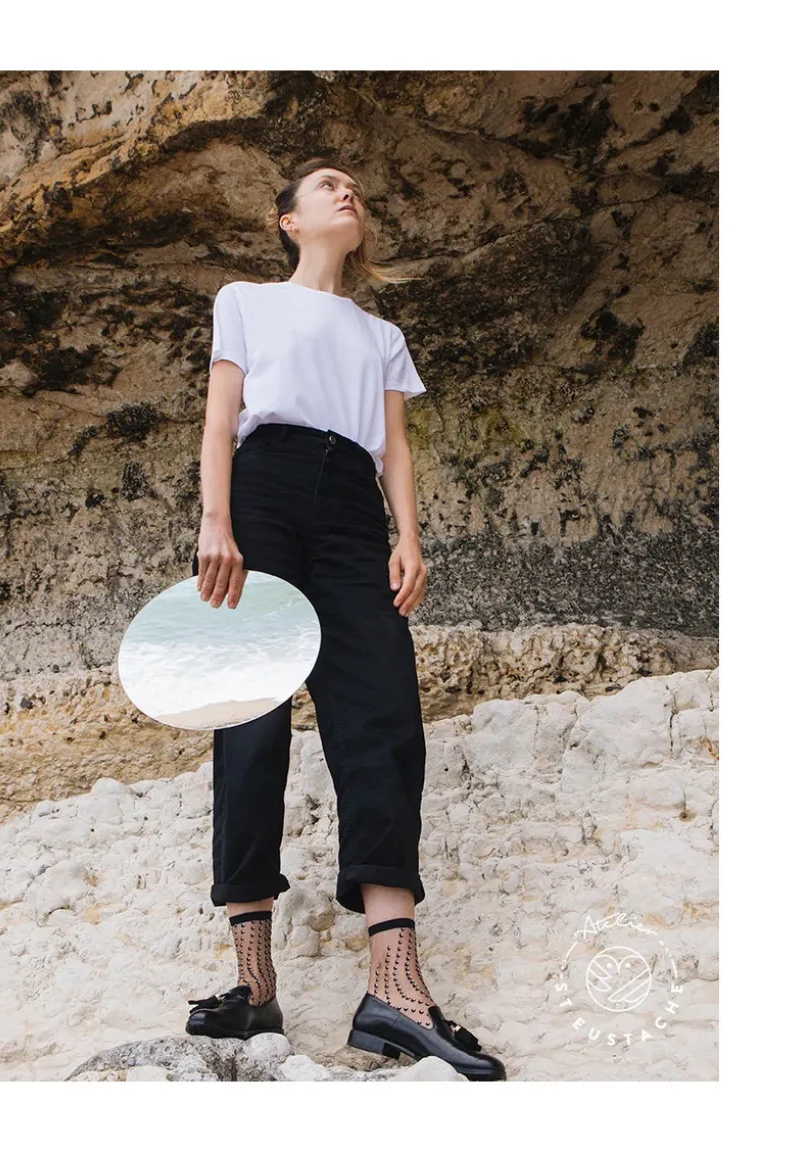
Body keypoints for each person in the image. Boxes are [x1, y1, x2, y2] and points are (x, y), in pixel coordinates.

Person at [185, 158, 506, 1081]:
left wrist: (410, 537)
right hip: (266, 490)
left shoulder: (381, 333)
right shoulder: (246, 300)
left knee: (383, 718)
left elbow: (394, 445)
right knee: (251, 722)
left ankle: (395, 990)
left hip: (355, 513)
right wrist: (217, 521)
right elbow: (221, 420)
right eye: (326, 184)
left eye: (355, 185)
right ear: (288, 219)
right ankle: (253, 983)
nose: (346, 191)